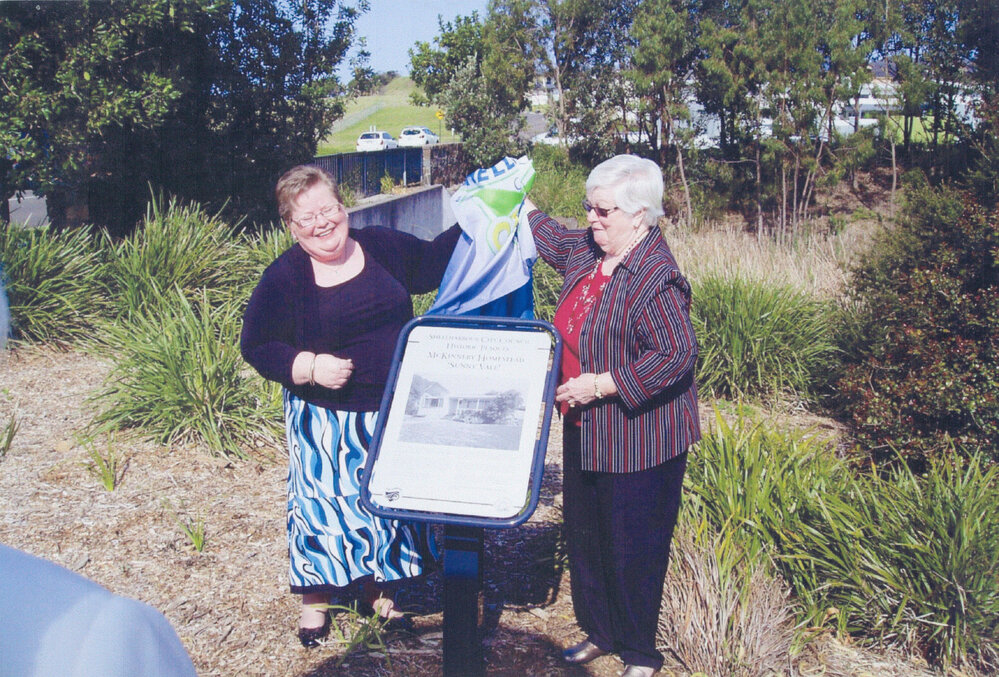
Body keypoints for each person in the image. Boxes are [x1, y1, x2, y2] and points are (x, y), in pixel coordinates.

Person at [240, 164, 461, 647]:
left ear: (343, 207)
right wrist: (308, 365)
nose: (322, 223)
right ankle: (316, 601)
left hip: (389, 408)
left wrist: (483, 215)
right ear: (291, 227)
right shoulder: (285, 276)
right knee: (323, 509)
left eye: (328, 209)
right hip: (324, 420)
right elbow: (256, 344)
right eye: (307, 218)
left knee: (383, 506)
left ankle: (377, 589)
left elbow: (431, 264)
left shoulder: (380, 245)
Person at [524, 154, 700, 677]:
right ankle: (600, 631)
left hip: (639, 437)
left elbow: (675, 355)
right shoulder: (592, 248)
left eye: (603, 211)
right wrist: (516, 200)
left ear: (639, 215)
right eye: (589, 208)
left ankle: (640, 652)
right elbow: (554, 240)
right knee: (588, 535)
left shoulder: (655, 276)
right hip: (585, 428)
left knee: (633, 547)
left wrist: (601, 385)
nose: (592, 219)